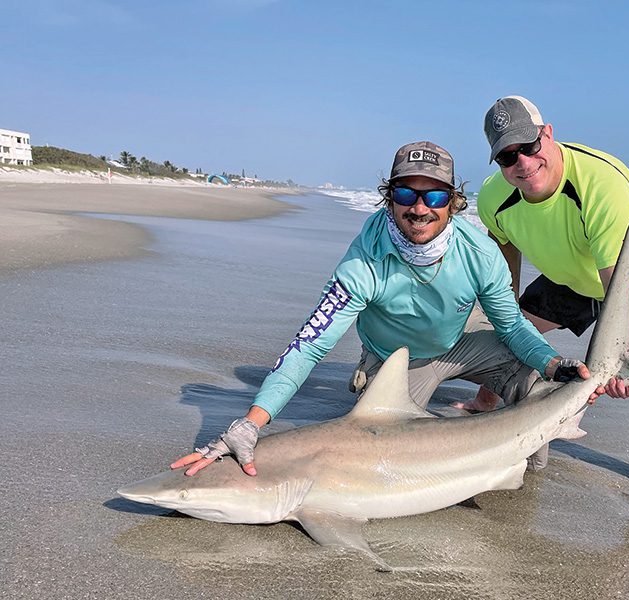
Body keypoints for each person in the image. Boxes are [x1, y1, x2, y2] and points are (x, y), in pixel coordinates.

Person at [171, 141, 601, 477]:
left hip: (458, 343)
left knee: (532, 378)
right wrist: (251, 423)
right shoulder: (364, 261)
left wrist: (551, 364)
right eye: (404, 193)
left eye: (434, 195)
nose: (419, 208)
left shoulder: (479, 253)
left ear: (453, 201)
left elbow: (511, 326)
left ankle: (519, 474)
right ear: (388, 197)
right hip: (396, 361)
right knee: (385, 456)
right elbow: (309, 345)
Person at [470, 96, 629, 495]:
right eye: (507, 157)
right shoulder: (493, 200)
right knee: (502, 331)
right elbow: (503, 286)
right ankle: (484, 403)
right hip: (575, 270)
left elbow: (621, 290)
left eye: (529, 146)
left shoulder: (598, 183)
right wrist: (509, 325)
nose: (522, 162)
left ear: (548, 134)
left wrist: (618, 363)